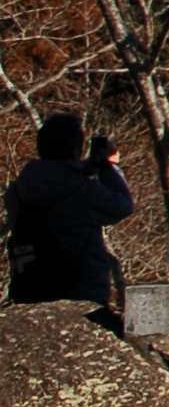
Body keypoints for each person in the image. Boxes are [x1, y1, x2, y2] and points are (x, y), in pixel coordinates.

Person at [5, 113, 135, 309]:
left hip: (31, 288)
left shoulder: (17, 190)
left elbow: (56, 178)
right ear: (77, 149)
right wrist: (107, 168)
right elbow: (123, 206)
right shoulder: (84, 190)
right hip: (82, 291)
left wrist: (85, 168)